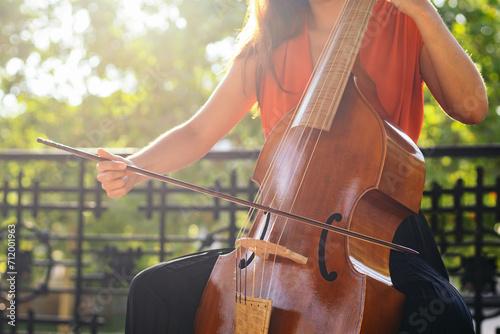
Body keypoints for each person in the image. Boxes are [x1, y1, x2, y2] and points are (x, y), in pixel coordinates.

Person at [96, 0, 488, 333]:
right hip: (278, 234)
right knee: (153, 290)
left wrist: (423, 10)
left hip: (379, 230)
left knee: (443, 315)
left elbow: (471, 108)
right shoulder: (269, 44)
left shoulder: (401, 20)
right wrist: (133, 166)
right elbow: (198, 132)